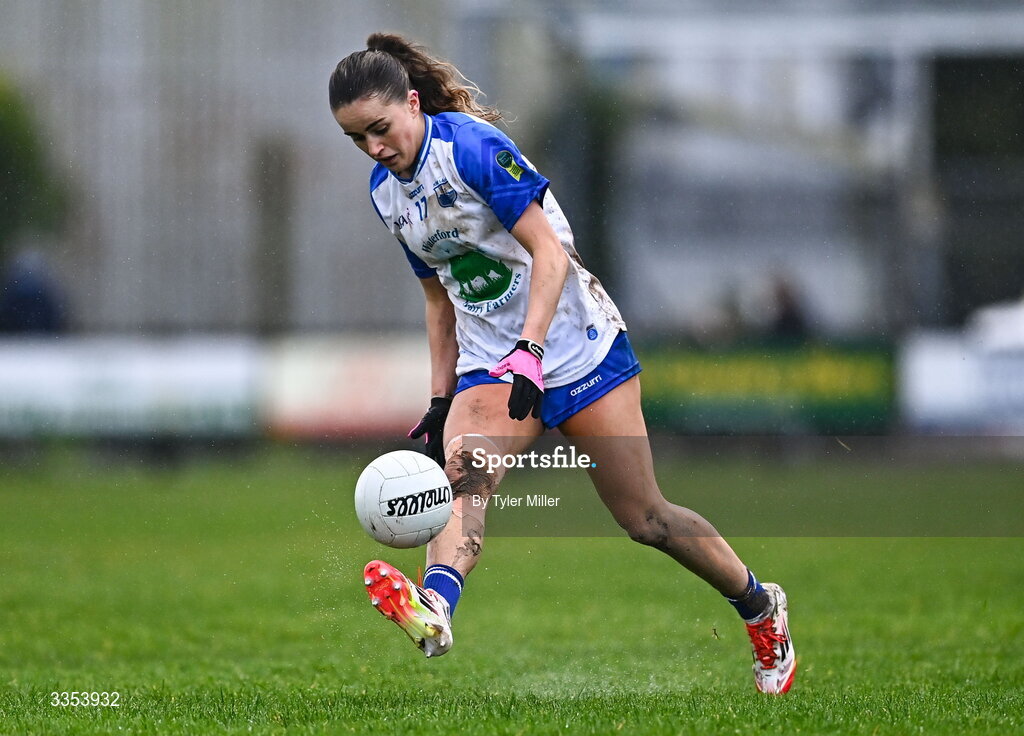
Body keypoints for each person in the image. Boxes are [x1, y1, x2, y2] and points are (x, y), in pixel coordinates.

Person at [329, 33, 796, 694]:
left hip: (580, 348)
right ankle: (435, 608)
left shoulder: (471, 151)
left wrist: (533, 351)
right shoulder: (387, 194)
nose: (374, 149)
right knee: (463, 478)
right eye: (357, 139)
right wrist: (440, 401)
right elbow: (439, 298)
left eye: (380, 129)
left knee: (646, 520)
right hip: (492, 362)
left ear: (412, 103)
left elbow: (548, 256)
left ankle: (759, 606)